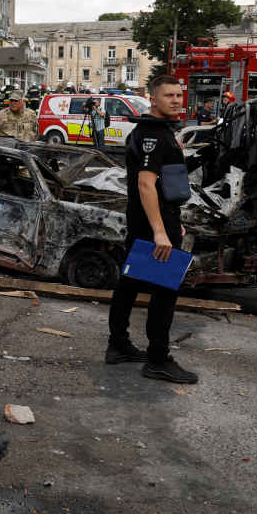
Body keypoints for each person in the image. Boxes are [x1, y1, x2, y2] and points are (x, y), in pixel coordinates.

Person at [107, 74, 198, 384]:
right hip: (152, 225)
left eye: (178, 94)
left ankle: (118, 345)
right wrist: (161, 231)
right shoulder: (153, 136)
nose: (175, 100)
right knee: (164, 291)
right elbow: (146, 184)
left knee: (130, 283)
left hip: (153, 220)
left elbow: (165, 184)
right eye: (169, 95)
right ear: (154, 99)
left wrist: (175, 221)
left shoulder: (159, 132)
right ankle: (158, 359)